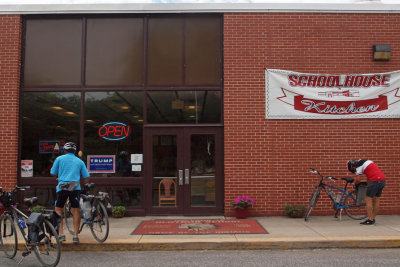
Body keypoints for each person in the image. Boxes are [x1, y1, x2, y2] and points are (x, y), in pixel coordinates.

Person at [50, 142, 90, 243]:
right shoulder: (79, 161)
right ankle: (76, 236)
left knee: (58, 209)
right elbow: (87, 177)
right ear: (75, 151)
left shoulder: (59, 159)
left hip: (62, 187)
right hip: (75, 187)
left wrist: (59, 174)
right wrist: (84, 186)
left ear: (64, 150)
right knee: (76, 210)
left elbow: (53, 173)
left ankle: (61, 234)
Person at [347, 159, 386, 225]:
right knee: (376, 200)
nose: (355, 171)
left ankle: (370, 220)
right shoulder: (366, 162)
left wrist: (354, 184)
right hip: (382, 180)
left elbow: (358, 179)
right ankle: (373, 218)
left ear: (353, 167)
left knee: (368, 199)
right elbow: (368, 177)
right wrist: (368, 185)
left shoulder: (358, 166)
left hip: (375, 181)